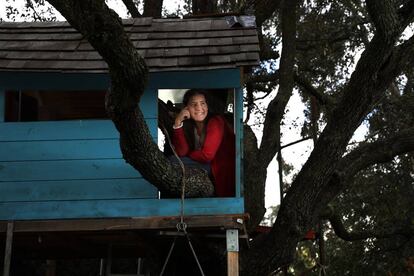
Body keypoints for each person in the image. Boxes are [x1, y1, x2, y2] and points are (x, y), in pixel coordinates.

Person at [172, 89, 235, 197]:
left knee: (171, 162)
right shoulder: (190, 126)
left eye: (202, 103)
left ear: (207, 106)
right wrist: (178, 123)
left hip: (219, 169)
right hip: (205, 166)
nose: (199, 108)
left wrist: (190, 154)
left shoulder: (216, 121)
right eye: (194, 104)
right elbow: (181, 152)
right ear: (186, 108)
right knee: (172, 161)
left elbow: (207, 155)